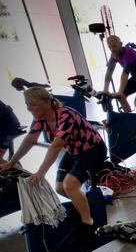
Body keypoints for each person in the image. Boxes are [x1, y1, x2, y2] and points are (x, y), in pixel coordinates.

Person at [0, 87, 107, 231]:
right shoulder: (40, 118)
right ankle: (87, 205)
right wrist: (12, 162)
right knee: (61, 188)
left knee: (70, 185)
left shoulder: (66, 115)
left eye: (32, 104)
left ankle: (90, 225)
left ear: (47, 103)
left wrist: (41, 172)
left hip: (93, 150)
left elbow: (55, 147)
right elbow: (30, 139)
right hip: (73, 151)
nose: (28, 108)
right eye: (26, 104)